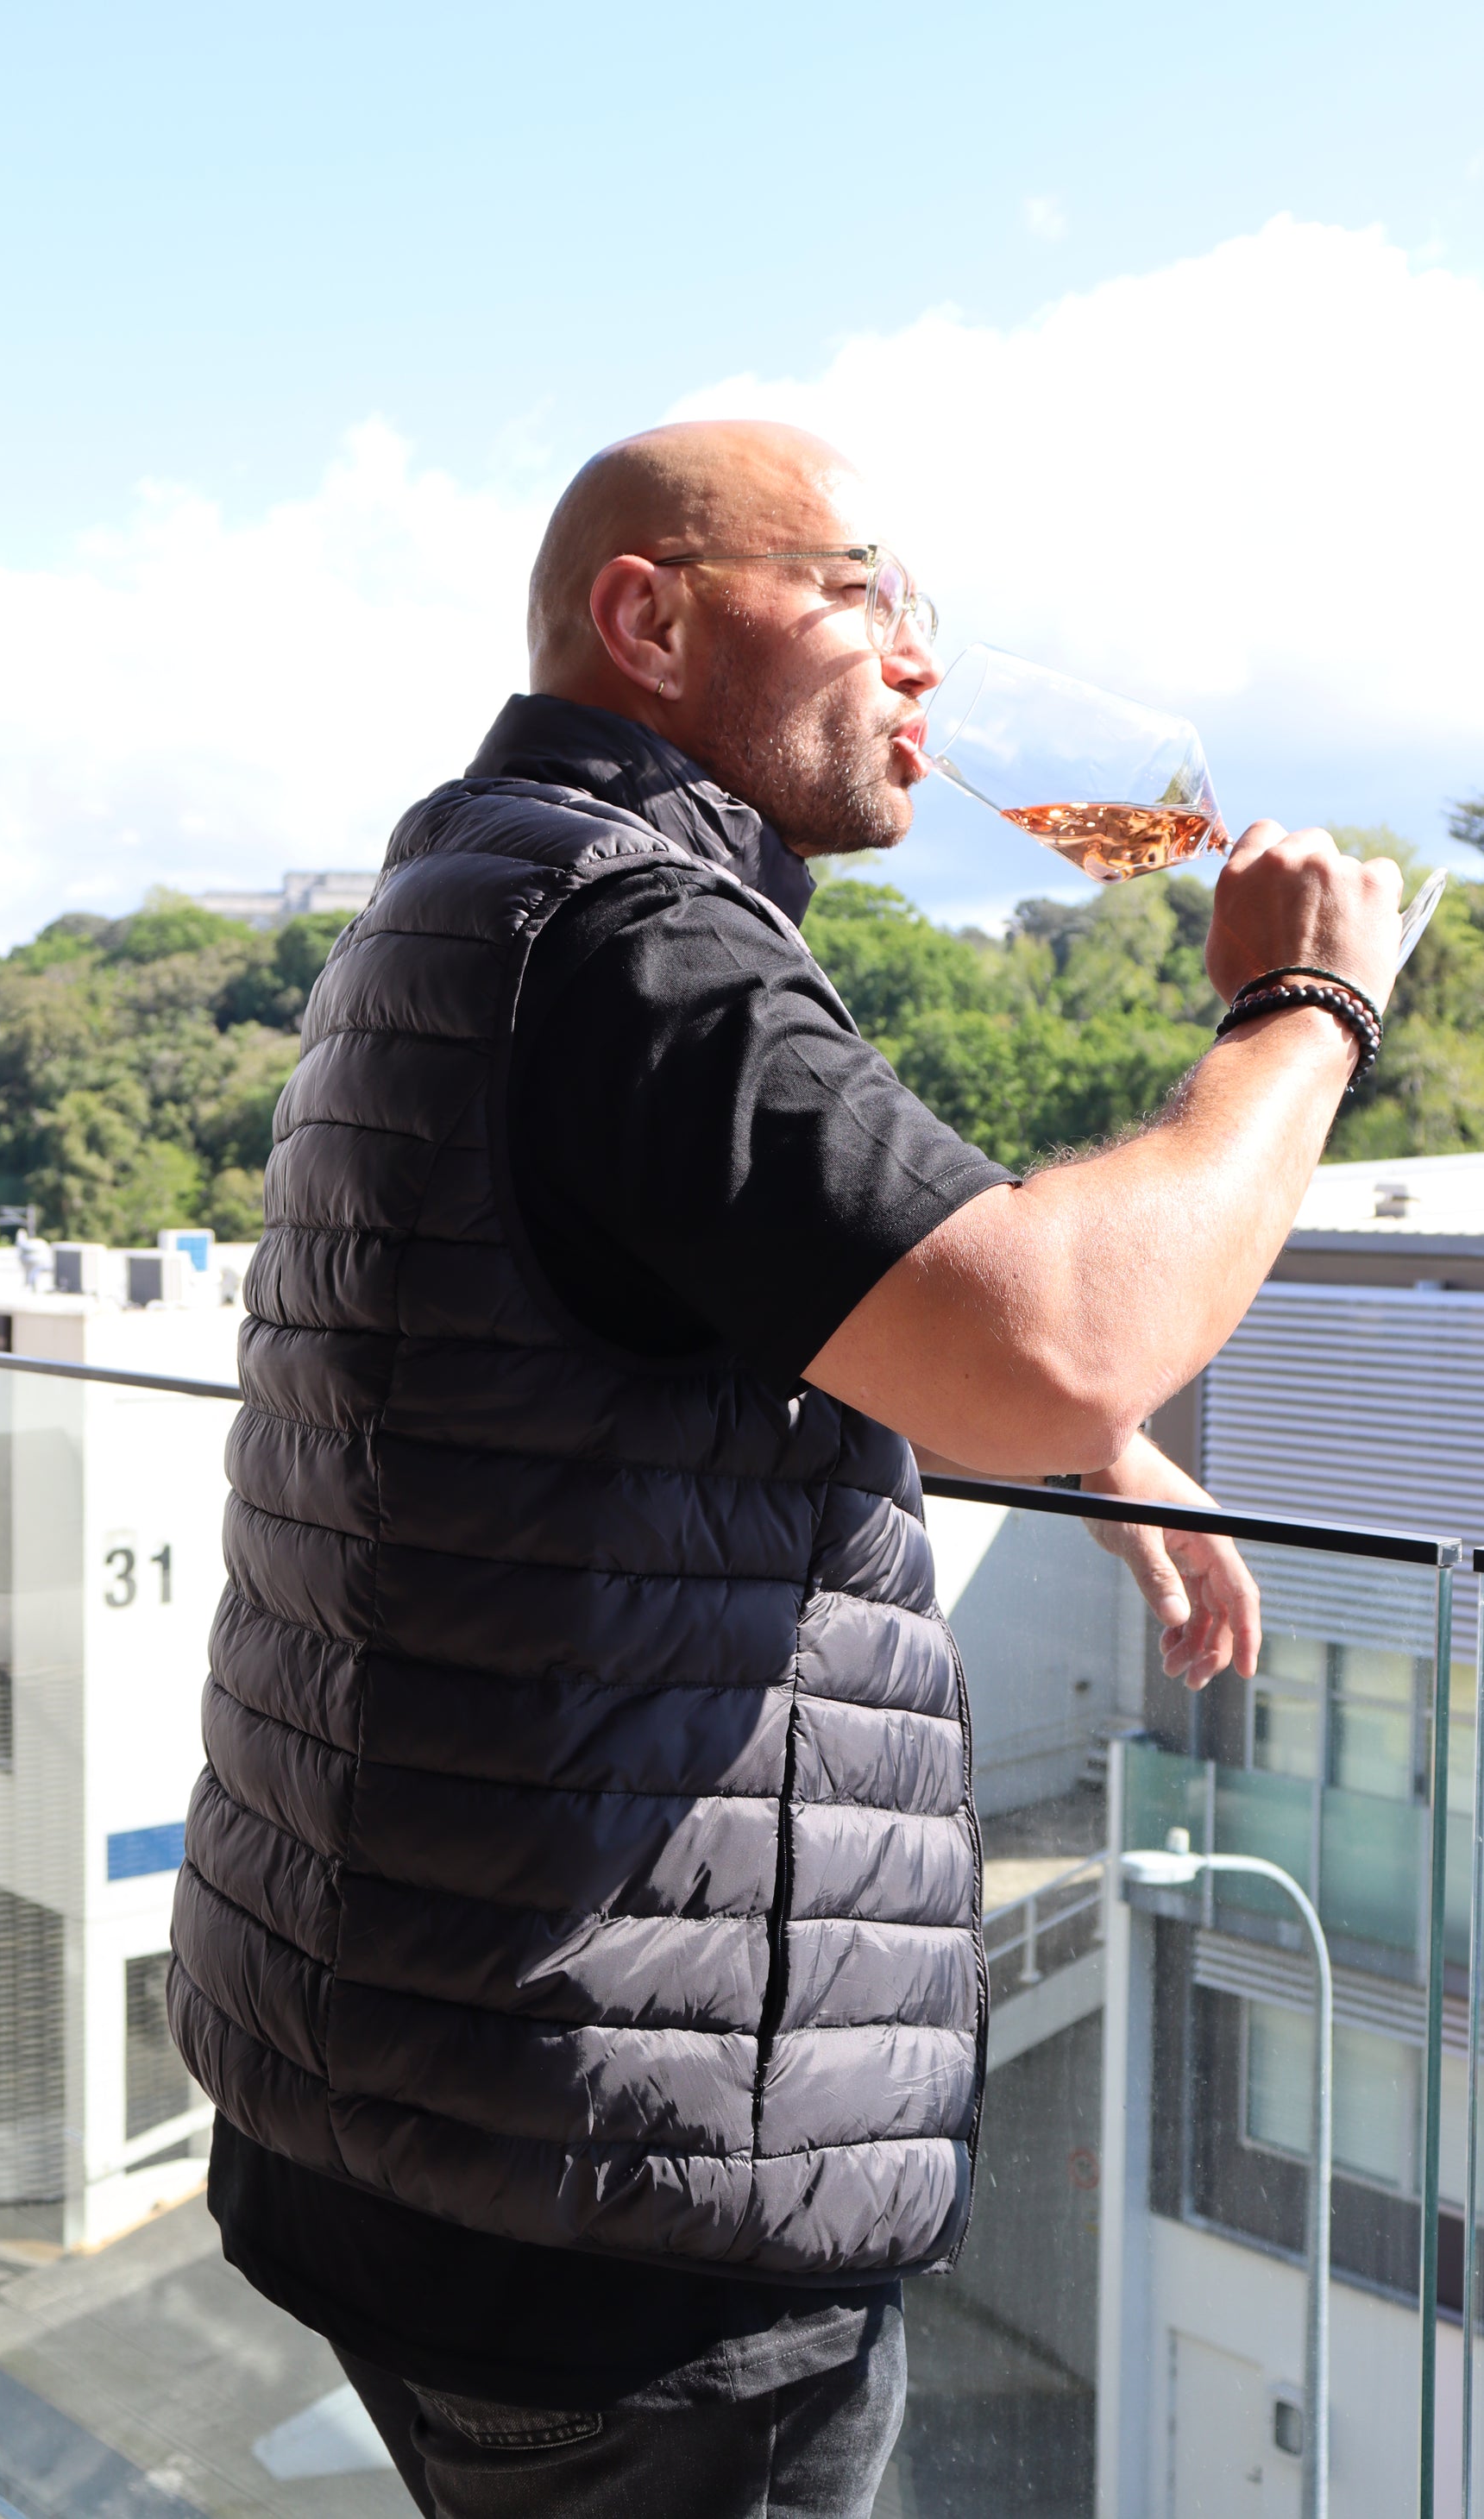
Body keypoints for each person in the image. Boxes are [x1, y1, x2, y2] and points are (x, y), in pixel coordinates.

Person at [167, 420, 1402, 2519]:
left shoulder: (477, 891)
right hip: (604, 2205)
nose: (920, 660)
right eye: (857, 591)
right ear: (646, 615)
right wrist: (1301, 1009)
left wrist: (1081, 1435)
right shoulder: (638, 939)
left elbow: (628, 1307)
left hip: (391, 2110)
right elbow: (1053, 1326)